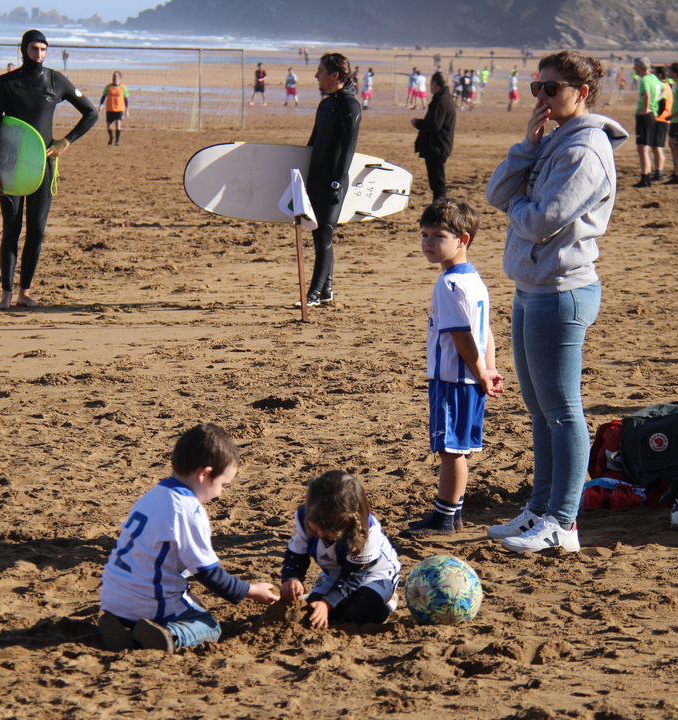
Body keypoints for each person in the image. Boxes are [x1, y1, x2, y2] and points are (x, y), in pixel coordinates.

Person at [486, 50, 627, 553]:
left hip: (563, 290)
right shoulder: (552, 140)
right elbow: (496, 192)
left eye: (551, 88)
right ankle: (539, 509)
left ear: (581, 92)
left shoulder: (585, 148)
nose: (541, 97)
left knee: (563, 411)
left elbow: (542, 220)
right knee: (540, 411)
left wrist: (517, 204)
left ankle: (563, 523)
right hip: (532, 287)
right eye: (536, 87)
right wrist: (527, 145)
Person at [98, 423, 279, 652]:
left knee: (190, 600)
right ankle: (168, 636)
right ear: (205, 474)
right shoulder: (187, 509)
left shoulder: (153, 495)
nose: (220, 493)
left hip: (113, 596)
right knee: (209, 626)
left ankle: (123, 624)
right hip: (149, 603)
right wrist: (251, 590)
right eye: (223, 484)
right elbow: (209, 574)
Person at [400, 198, 504, 538]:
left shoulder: (449, 284)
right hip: (469, 379)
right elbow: (485, 330)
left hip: (453, 380)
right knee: (456, 449)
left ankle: (444, 518)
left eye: (439, 235)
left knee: (451, 451)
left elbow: (463, 336)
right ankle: (452, 515)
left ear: (463, 240)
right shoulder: (473, 279)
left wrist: (481, 372)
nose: (428, 242)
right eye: (424, 235)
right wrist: (489, 368)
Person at [0, 29, 97, 309]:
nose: (39, 54)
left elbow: (91, 113)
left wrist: (66, 141)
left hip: (43, 165)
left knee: (36, 229)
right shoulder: (6, 82)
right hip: (10, 165)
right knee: (11, 228)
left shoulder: (54, 80)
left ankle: (24, 292)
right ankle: (6, 294)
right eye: (34, 48)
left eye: (43, 49)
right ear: (24, 49)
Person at [280, 470, 400, 625]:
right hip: (333, 576)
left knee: (357, 613)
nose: (320, 534)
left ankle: (389, 603)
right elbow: (296, 555)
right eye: (316, 529)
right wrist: (292, 577)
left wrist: (326, 603)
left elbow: (353, 576)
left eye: (327, 531)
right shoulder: (304, 517)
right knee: (311, 612)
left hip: (374, 575)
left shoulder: (367, 531)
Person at [299, 52, 361, 308]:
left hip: (334, 180)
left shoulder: (350, 107)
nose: (316, 75)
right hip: (316, 177)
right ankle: (327, 291)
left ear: (335, 75)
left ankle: (312, 294)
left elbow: (348, 150)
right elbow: (312, 144)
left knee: (324, 233)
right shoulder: (325, 105)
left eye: (321, 71)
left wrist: (337, 182)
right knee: (318, 234)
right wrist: (302, 178)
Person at [410, 71, 456, 200]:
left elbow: (434, 124)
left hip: (437, 146)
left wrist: (417, 123)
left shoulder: (442, 100)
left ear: (435, 84)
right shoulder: (444, 98)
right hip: (438, 145)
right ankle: (438, 205)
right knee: (436, 182)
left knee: (437, 183)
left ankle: (440, 206)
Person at [632, 57, 662, 187]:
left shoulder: (645, 79)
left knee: (642, 148)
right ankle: (646, 176)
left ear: (640, 67)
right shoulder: (655, 78)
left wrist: (645, 109)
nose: (634, 68)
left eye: (635, 66)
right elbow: (665, 89)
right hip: (652, 114)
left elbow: (647, 94)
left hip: (645, 116)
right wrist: (655, 103)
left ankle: (645, 178)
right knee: (645, 147)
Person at [649, 65, 672, 181]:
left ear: (659, 75)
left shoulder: (664, 86)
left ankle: (659, 173)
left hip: (661, 119)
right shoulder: (665, 85)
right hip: (662, 118)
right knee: (656, 147)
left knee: (657, 147)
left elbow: (662, 102)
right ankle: (658, 171)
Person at [98, 71, 129, 146]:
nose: (115, 78)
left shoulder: (123, 87)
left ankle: (117, 140)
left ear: (120, 78)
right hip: (110, 108)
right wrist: (101, 105)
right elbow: (103, 96)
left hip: (119, 109)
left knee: (118, 124)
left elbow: (126, 99)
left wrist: (127, 110)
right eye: (114, 76)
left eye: (116, 76)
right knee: (109, 126)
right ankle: (111, 137)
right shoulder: (108, 87)